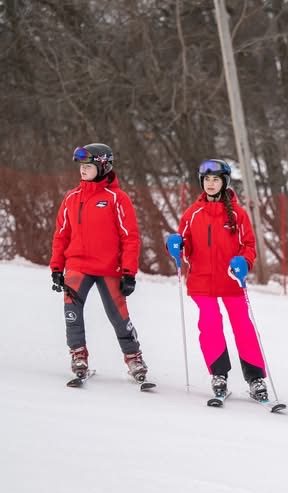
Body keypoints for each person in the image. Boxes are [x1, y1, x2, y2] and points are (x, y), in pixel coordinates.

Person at [170, 159, 269, 402]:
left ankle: (255, 378)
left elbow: (249, 246)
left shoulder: (237, 214)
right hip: (201, 282)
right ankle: (219, 374)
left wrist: (244, 262)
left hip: (231, 282)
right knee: (210, 325)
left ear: (224, 182)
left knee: (243, 327)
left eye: (215, 179)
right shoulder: (192, 214)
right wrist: (176, 246)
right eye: (207, 180)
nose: (211, 184)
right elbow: (185, 247)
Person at [49, 143, 148, 383]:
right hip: (77, 266)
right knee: (72, 311)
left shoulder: (117, 199)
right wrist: (56, 268)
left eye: (89, 166)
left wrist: (128, 272)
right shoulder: (72, 198)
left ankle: (134, 357)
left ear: (103, 166)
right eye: (81, 166)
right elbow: (61, 234)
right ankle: (78, 355)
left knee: (118, 315)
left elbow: (130, 237)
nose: (83, 170)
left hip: (108, 268)